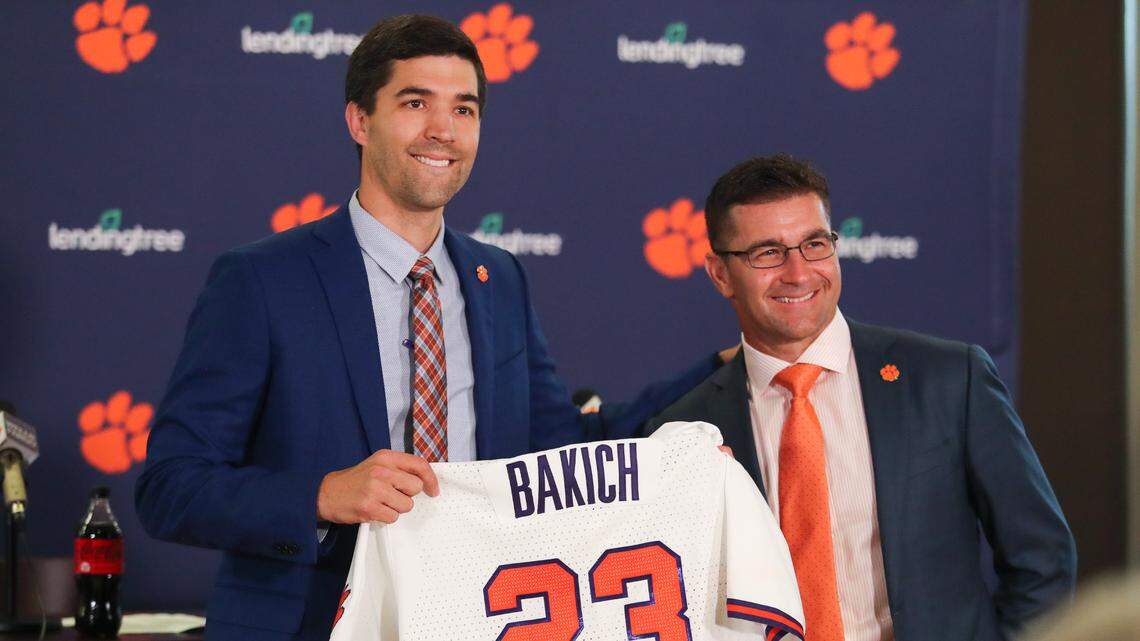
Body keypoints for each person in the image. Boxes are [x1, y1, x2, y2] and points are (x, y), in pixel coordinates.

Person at [135, 15, 725, 641]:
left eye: (464, 110)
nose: (443, 130)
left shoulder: (501, 278)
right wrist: (322, 495)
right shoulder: (260, 280)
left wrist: (718, 378)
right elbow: (171, 487)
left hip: (479, 616)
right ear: (360, 121)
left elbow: (559, 450)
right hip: (308, 623)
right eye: (416, 103)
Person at [647, 155, 1077, 641]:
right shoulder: (686, 431)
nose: (797, 272)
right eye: (767, 252)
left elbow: (1042, 558)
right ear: (720, 274)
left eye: (814, 244)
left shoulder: (949, 379)